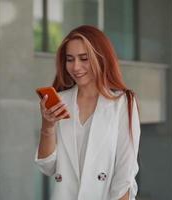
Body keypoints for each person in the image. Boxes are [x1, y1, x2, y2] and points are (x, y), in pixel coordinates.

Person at [34, 25, 141, 200]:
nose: (76, 67)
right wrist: (48, 124)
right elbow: (48, 167)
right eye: (70, 59)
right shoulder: (60, 101)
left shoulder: (122, 102)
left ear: (101, 58)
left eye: (84, 58)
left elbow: (125, 173)